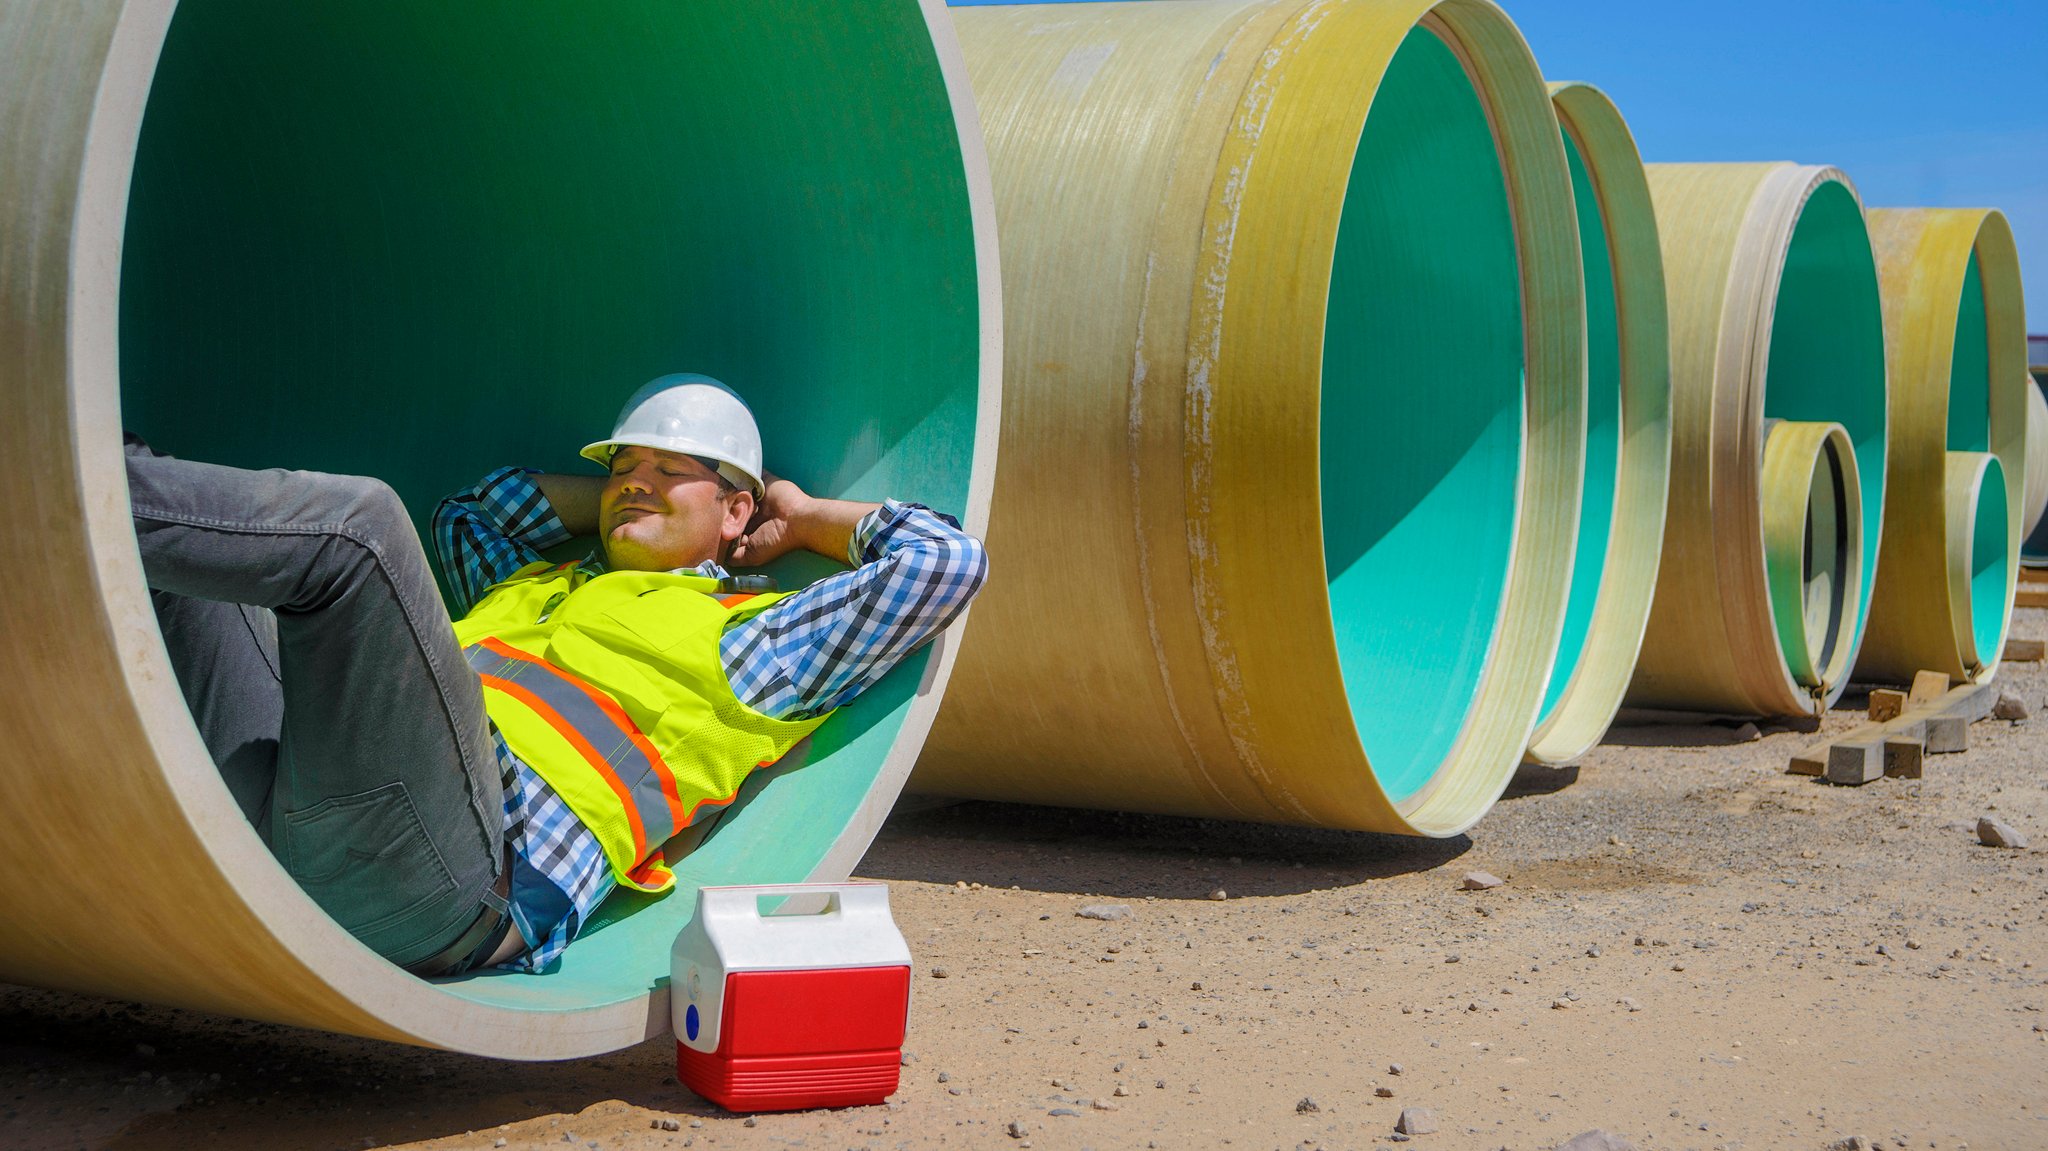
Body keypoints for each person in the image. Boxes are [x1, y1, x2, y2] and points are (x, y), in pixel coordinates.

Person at [128, 373, 986, 977]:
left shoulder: (749, 640)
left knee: (360, 531)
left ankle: (63, 475)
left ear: (735, 509)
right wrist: (627, 495)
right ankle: (73, 469)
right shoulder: (530, 584)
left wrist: (796, 517)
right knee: (187, 547)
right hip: (284, 813)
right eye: (623, 468)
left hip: (456, 878)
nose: (634, 485)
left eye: (668, 471)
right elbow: (470, 509)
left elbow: (944, 563)